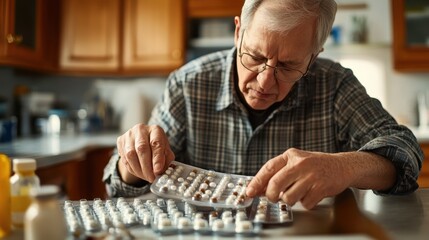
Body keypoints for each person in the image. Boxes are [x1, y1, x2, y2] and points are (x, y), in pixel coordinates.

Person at [103, 0, 423, 210]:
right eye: (255, 57)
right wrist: (132, 163)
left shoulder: (335, 86)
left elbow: (406, 153)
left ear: (313, 56)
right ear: (238, 32)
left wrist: (344, 166)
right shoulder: (188, 85)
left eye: (287, 66)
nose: (265, 82)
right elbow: (119, 186)